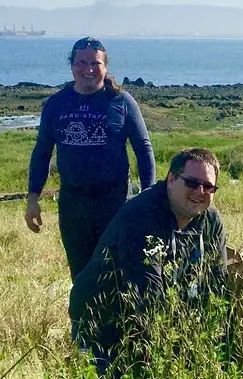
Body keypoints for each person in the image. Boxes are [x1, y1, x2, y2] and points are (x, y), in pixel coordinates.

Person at [69, 147, 229, 378]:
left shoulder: (210, 221)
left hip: (153, 316)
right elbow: (149, 296)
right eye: (192, 183)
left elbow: (218, 283)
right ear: (171, 178)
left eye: (208, 186)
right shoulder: (141, 217)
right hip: (104, 321)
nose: (200, 192)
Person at [25, 37, 156, 278]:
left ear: (106, 66)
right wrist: (33, 198)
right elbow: (42, 152)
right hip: (73, 205)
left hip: (116, 203)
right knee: (82, 274)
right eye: (81, 63)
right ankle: (85, 317)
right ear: (72, 66)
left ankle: (119, 316)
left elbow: (143, 149)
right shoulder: (56, 104)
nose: (88, 69)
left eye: (95, 63)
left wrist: (149, 196)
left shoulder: (122, 102)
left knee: (117, 271)